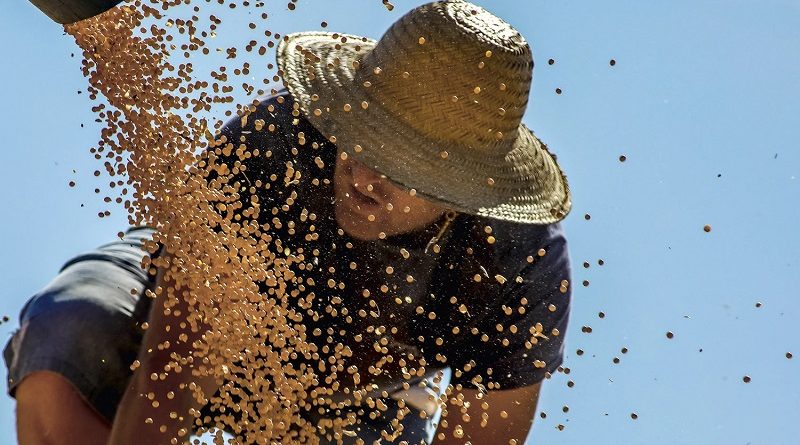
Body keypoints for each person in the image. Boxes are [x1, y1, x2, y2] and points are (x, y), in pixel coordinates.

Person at [4, 1, 573, 444]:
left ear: (465, 193)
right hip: (188, 304)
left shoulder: (515, 269)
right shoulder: (274, 144)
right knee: (70, 328)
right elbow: (172, 371)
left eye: (406, 167)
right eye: (364, 136)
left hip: (365, 393)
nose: (366, 176)